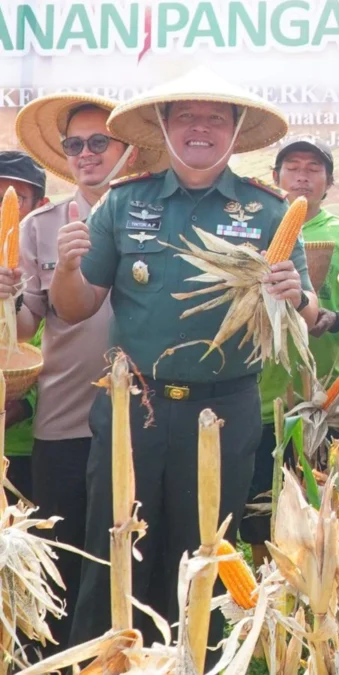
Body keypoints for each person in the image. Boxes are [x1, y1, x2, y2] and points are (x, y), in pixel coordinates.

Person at [52, 67, 316, 661]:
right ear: (164, 128)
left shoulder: (269, 209)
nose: (201, 128)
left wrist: (297, 295)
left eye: (215, 118)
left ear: (236, 129)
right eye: (187, 117)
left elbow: (309, 306)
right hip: (131, 410)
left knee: (204, 557)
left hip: (224, 410)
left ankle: (197, 663)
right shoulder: (123, 204)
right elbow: (76, 308)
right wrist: (67, 268)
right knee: (115, 549)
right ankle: (104, 664)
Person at [10, 92, 165, 652]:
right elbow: (27, 325)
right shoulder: (40, 225)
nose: (86, 153)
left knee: (131, 556)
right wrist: (6, 301)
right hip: (66, 418)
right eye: (75, 145)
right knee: (65, 557)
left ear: (128, 150)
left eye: (100, 142)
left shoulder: (156, 213)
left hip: (144, 420)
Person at [242, 136, 339, 565]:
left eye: (313, 169)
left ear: (328, 182)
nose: (302, 177)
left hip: (325, 399)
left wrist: (332, 317)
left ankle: (328, 592)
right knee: (261, 512)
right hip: (262, 396)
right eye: (293, 168)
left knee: (328, 509)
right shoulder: (255, 230)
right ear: (276, 178)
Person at [0, 151, 48, 504]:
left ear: (41, 207)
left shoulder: (50, 270)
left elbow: (54, 351)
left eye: (15, 199)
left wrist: (14, 409)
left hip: (23, 447)